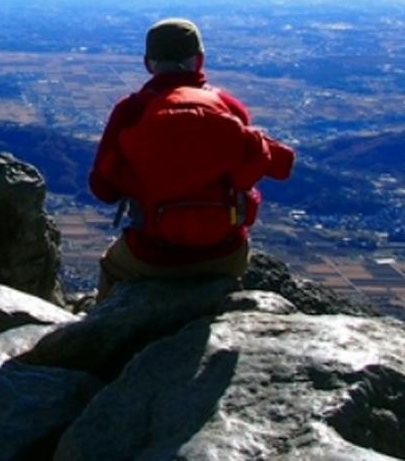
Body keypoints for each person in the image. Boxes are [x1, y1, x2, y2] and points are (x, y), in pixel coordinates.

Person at [89, 17, 294, 301]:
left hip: (151, 256)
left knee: (110, 266)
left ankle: (100, 332)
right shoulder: (229, 108)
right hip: (225, 256)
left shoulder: (131, 111)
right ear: (199, 60)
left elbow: (103, 189)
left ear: (149, 63)